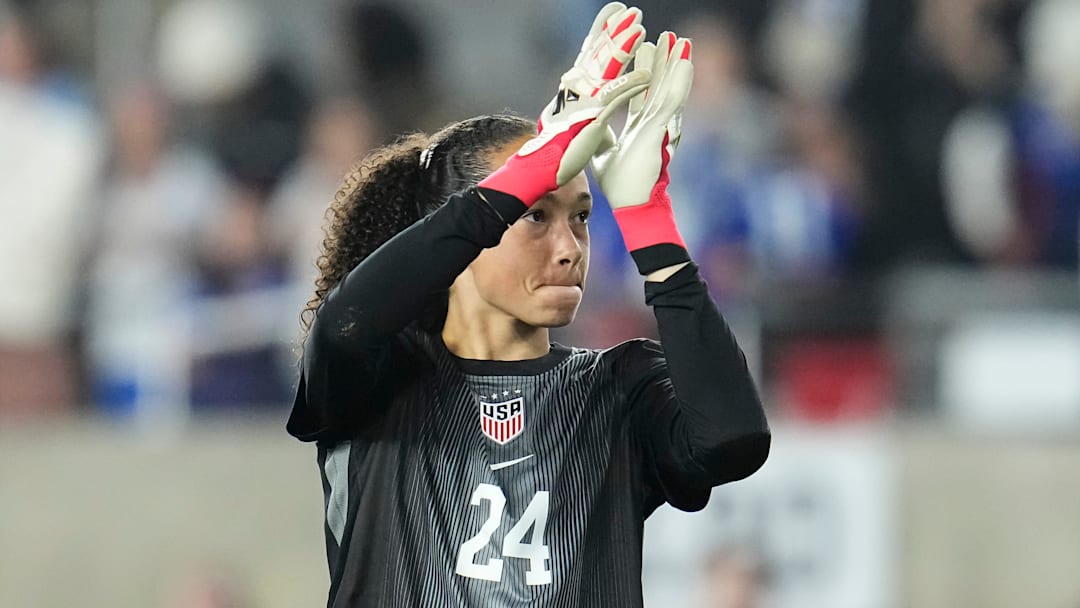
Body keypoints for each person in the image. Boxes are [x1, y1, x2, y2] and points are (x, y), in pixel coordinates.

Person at [286, 4, 770, 606]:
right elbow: (344, 327)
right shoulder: (381, 376)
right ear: (462, 231)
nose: (569, 249)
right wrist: (531, 168)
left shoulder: (618, 386)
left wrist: (649, 221)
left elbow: (734, 440)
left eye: (583, 219)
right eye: (535, 216)